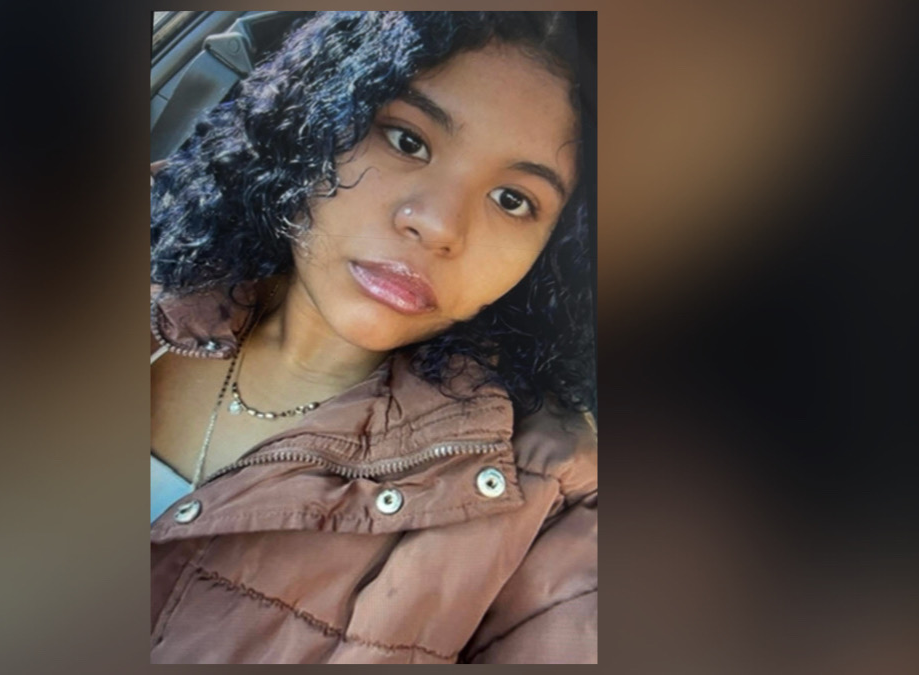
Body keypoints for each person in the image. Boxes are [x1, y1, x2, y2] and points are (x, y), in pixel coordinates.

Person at [150, 11, 597, 663]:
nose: (439, 224)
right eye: (408, 140)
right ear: (318, 116)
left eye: (512, 199)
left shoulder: (546, 504)